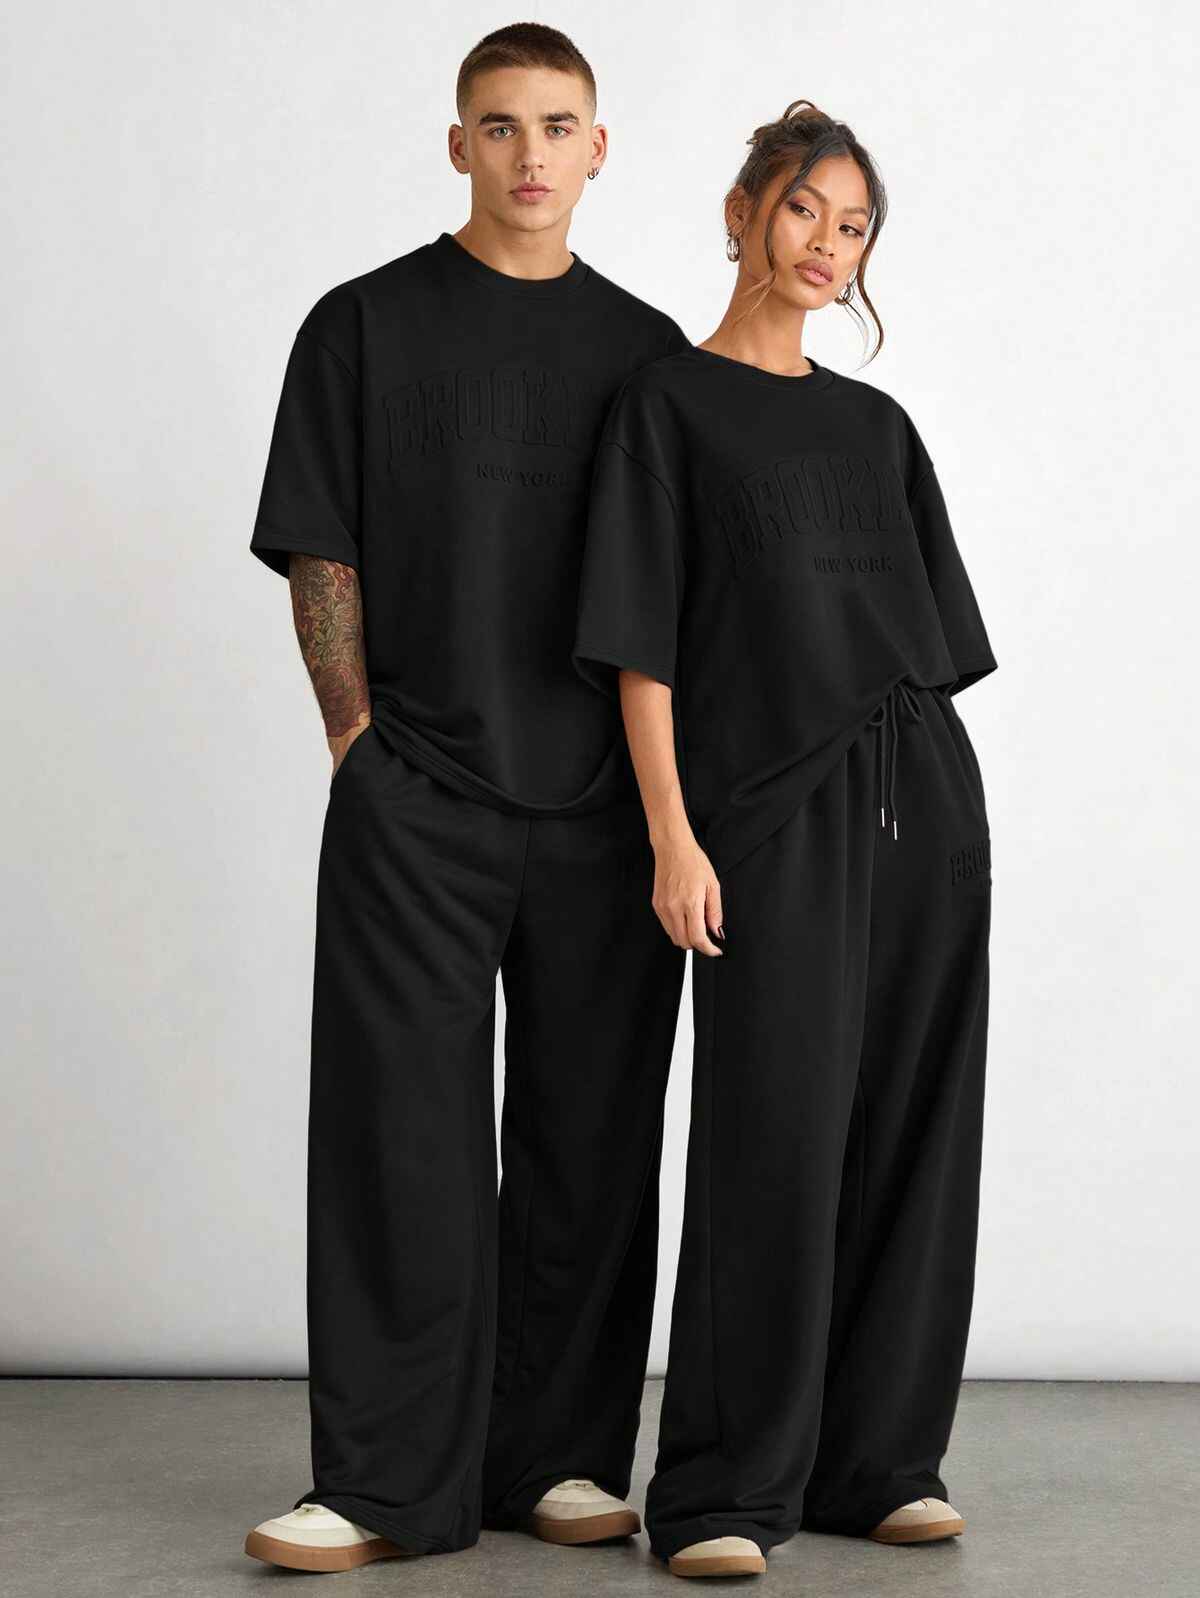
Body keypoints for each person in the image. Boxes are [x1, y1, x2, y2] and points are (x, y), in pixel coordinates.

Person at [242, 24, 687, 1573]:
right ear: (457, 146)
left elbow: (676, 593)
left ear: (598, 149)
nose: (529, 154)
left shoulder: (647, 352)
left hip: (601, 807)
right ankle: (381, 1481)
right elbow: (321, 542)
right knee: (398, 1142)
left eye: (557, 125)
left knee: (590, 1139)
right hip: (416, 792)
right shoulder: (362, 325)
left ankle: (555, 1455)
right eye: (499, 126)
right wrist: (357, 741)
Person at [574, 99, 998, 1579]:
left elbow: (925, 642)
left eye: (855, 224)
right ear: (745, 211)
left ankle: (877, 1462)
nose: (829, 243)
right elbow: (641, 648)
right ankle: (721, 1487)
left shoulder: (879, 428)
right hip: (767, 813)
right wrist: (672, 836)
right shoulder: (666, 405)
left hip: (921, 796)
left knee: (916, 1127)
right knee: (775, 1132)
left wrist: (945, 818)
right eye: (807, 209)